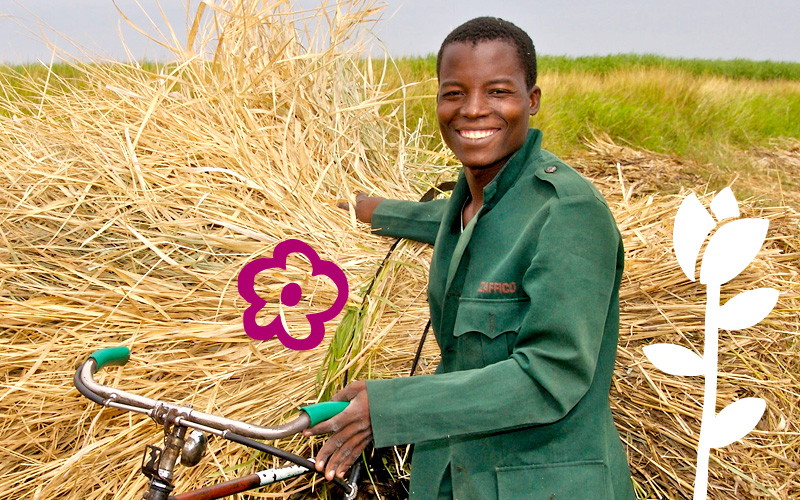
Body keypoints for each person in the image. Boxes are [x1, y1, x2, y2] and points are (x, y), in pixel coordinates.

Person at [305, 16, 636, 500]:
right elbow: (444, 218)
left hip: (544, 483)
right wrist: (369, 210)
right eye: (454, 93)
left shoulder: (569, 213)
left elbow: (552, 373)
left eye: (498, 91)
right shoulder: (472, 203)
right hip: (453, 477)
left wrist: (392, 409)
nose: (473, 110)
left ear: (532, 101)